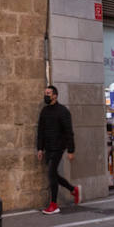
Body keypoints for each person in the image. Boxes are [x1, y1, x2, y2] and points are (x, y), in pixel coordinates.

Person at [36, 85, 78, 215]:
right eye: (45, 93)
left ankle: (54, 205)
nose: (46, 96)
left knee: (51, 174)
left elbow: (69, 132)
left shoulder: (63, 111)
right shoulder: (44, 111)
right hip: (48, 148)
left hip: (58, 148)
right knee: (53, 174)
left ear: (55, 95)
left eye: (48, 93)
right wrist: (40, 148)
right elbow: (40, 131)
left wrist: (71, 150)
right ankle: (73, 189)